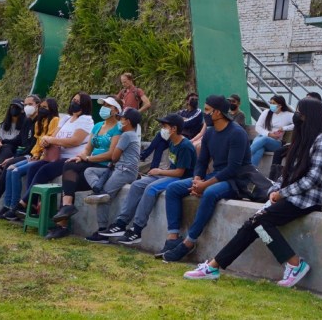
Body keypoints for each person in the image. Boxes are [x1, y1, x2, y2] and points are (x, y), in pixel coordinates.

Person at [184, 97, 322, 287]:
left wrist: (282, 194)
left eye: (299, 113)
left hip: (307, 199)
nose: (296, 116)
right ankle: (213, 266)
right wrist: (275, 189)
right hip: (293, 196)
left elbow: (312, 179)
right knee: (252, 224)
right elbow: (289, 173)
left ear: (309, 116)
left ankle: (294, 263)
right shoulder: (304, 138)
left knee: (260, 222)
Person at [161, 95, 253, 262]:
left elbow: (233, 168)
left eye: (207, 110)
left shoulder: (237, 133)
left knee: (210, 193)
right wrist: (197, 179)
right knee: (173, 189)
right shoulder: (210, 133)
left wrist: (204, 185)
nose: (205, 113)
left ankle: (189, 242)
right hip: (215, 176)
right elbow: (202, 161)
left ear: (217, 112)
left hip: (235, 180)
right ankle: (173, 237)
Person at [94, 113, 197, 245]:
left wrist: (160, 171)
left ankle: (137, 229)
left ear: (174, 128)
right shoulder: (172, 142)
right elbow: (173, 166)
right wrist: (159, 172)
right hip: (170, 175)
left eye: (164, 126)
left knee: (151, 188)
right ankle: (121, 223)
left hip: (182, 178)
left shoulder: (185, 146)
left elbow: (179, 172)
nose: (162, 129)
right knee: (137, 185)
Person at [43, 97, 124, 238]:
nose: (104, 108)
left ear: (116, 110)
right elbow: (88, 148)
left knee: (69, 183)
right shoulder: (98, 126)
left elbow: (111, 154)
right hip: (91, 161)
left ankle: (62, 224)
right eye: (104, 105)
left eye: (108, 105)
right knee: (69, 168)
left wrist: (87, 158)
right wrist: (81, 156)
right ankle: (66, 211)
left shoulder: (118, 128)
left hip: (104, 165)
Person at [6, 93, 92, 219]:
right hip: (56, 155)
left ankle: (22, 204)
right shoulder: (66, 118)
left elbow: (75, 141)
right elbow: (54, 136)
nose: (74, 103)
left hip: (71, 158)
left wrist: (51, 140)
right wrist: (46, 141)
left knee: (44, 170)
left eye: (78, 101)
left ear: (84, 104)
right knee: (33, 168)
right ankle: (33, 205)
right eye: (73, 99)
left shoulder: (86, 120)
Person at [139, 91, 203, 170]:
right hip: (175, 135)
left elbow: (185, 123)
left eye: (196, 99)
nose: (195, 101)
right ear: (187, 101)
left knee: (160, 135)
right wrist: (182, 120)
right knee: (160, 145)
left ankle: (143, 155)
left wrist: (181, 121)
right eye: (192, 99)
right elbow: (172, 121)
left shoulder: (198, 112)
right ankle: (153, 169)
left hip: (186, 137)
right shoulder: (182, 112)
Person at [249, 95, 293, 166]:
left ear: (280, 105)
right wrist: (269, 134)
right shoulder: (266, 112)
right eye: (271, 103)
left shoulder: (288, 115)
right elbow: (258, 127)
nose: (271, 105)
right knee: (260, 148)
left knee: (264, 139)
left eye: (273, 103)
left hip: (276, 143)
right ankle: (251, 170)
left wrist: (284, 128)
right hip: (261, 140)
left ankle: (244, 156)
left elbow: (298, 122)